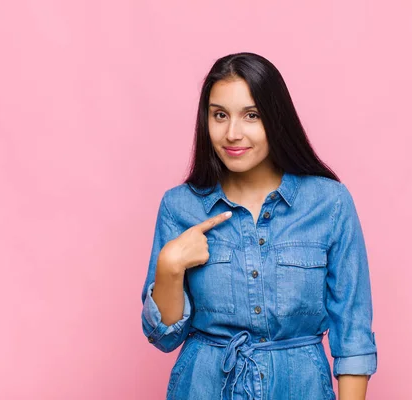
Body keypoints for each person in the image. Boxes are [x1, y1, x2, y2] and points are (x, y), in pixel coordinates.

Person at [140, 52, 377, 400]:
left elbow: (353, 332)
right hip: (203, 388)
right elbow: (165, 338)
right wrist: (169, 265)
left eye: (251, 115)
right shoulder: (179, 206)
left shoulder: (330, 203)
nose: (232, 133)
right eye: (219, 115)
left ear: (276, 118)